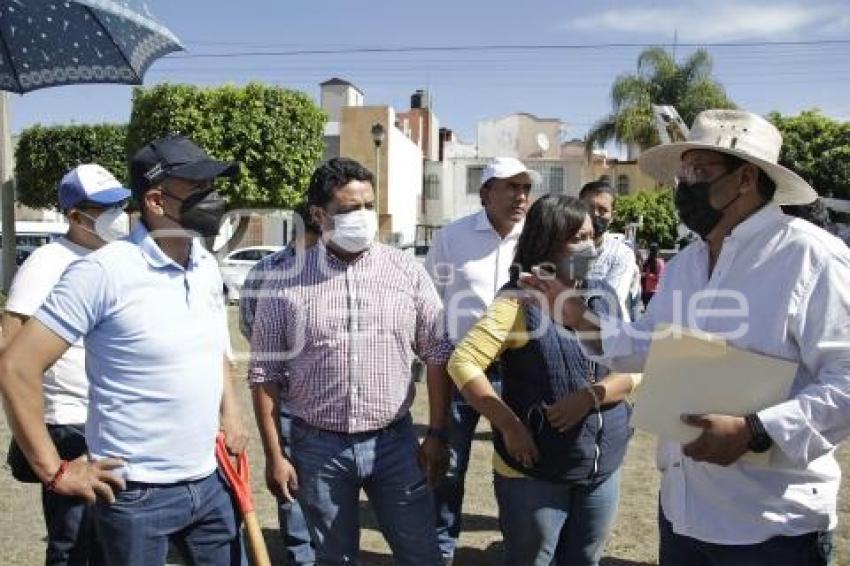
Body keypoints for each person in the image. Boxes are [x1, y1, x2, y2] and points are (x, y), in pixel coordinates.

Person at [520, 109, 844, 565]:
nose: (684, 185)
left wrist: (757, 430)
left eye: (699, 172)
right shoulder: (689, 263)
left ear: (747, 178)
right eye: (683, 172)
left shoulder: (811, 257)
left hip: (771, 526)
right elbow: (652, 347)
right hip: (684, 514)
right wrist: (581, 319)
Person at [0, 134, 249, 566]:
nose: (214, 200)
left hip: (209, 482)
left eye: (213, 188)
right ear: (156, 200)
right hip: (135, 495)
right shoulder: (101, 273)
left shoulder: (205, 265)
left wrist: (231, 413)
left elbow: (212, 348)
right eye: (199, 190)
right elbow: (16, 366)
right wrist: (55, 470)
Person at [249, 157, 452, 565]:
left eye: (367, 205)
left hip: (394, 443)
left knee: (422, 554)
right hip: (317, 447)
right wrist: (275, 455)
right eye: (347, 209)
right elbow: (264, 375)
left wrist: (437, 434)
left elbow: (436, 352)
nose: (361, 217)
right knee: (335, 558)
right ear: (319, 214)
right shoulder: (285, 280)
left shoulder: (405, 271)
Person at [447, 194, 637, 565]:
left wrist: (591, 396)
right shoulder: (519, 301)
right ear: (548, 243)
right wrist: (508, 424)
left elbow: (635, 365)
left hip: (601, 467)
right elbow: (464, 362)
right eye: (577, 238)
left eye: (591, 236)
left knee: (584, 558)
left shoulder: (604, 295)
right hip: (533, 473)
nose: (590, 247)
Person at [2, 164, 130, 565]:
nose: (119, 214)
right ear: (75, 216)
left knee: (110, 537)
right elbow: (10, 341)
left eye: (121, 204)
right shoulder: (48, 261)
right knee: (73, 543)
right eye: (105, 207)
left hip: (111, 419)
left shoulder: (120, 256)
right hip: (71, 424)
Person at [423, 156, 535, 562]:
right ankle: (442, 548)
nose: (521, 196)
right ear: (486, 192)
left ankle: (517, 545)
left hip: (520, 369)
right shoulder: (453, 237)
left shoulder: (536, 240)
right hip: (461, 369)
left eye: (525, 188)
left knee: (516, 463)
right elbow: (431, 301)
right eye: (511, 187)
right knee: (449, 466)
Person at [239, 202, 320, 566]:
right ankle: (302, 555)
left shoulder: (341, 268)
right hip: (286, 396)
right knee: (291, 478)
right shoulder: (266, 273)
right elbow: (251, 330)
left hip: (330, 399)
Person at [579, 180, 641, 320]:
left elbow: (609, 301)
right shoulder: (566, 247)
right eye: (588, 207)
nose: (594, 214)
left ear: (612, 216)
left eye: (603, 210)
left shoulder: (621, 254)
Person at [640, 243, 665, 307]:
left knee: (648, 312)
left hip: (652, 291)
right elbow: (660, 277)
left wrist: (647, 275)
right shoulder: (648, 262)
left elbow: (659, 277)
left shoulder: (658, 262)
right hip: (649, 291)